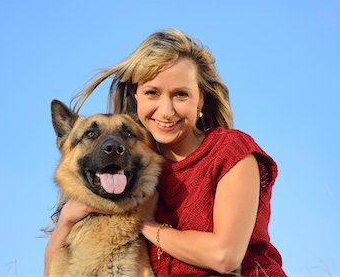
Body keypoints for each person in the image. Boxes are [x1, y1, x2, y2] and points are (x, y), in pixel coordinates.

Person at [44, 28, 286, 276]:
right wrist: (66, 219)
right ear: (136, 97)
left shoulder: (230, 150)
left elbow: (224, 256)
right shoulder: (134, 174)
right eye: (152, 93)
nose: (166, 110)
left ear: (201, 99)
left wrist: (147, 225)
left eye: (181, 94)